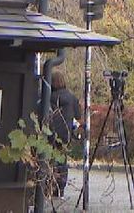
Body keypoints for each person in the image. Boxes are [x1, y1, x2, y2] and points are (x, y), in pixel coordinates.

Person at [48, 70, 80, 198]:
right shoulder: (72, 98)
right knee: (62, 161)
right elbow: (78, 116)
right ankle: (60, 188)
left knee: (48, 159)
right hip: (65, 134)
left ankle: (48, 186)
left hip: (49, 133)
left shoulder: (47, 96)